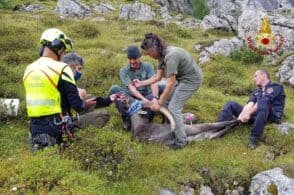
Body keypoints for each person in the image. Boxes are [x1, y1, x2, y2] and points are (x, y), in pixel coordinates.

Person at [23, 28, 115, 150]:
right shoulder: (62, 68)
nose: (64, 55)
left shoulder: (29, 69)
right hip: (56, 126)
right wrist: (85, 103)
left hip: (34, 129)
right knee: (103, 114)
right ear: (58, 47)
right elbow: (77, 105)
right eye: (64, 51)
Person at [133, 33, 203, 149]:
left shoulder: (171, 56)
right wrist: (141, 83)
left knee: (174, 108)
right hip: (182, 79)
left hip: (191, 80)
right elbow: (157, 77)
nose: (149, 56)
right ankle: (170, 124)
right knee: (166, 102)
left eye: (149, 53)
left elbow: (170, 83)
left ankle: (181, 142)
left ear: (154, 49)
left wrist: (158, 102)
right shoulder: (161, 56)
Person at [217, 70, 285, 149]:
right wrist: (242, 114)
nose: (253, 79)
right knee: (231, 103)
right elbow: (250, 104)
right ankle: (217, 128)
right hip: (257, 116)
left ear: (263, 76)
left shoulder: (276, 87)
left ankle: (254, 138)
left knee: (263, 102)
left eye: (255, 76)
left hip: (271, 117)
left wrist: (248, 114)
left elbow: (263, 101)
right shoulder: (257, 90)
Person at [109, 45, 165, 130]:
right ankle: (126, 118)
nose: (132, 61)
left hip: (147, 95)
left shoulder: (148, 66)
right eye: (130, 59)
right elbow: (132, 88)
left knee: (163, 87)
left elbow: (153, 83)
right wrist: (142, 100)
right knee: (114, 89)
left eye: (134, 58)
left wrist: (155, 97)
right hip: (131, 98)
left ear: (139, 57)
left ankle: (147, 116)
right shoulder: (124, 70)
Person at [62, 52, 117, 128]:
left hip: (62, 115)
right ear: (71, 67)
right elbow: (78, 105)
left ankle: (76, 119)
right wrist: (82, 101)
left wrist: (109, 99)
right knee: (104, 114)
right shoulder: (67, 81)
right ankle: (75, 128)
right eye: (79, 68)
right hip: (62, 122)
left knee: (89, 97)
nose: (80, 72)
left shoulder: (59, 77)